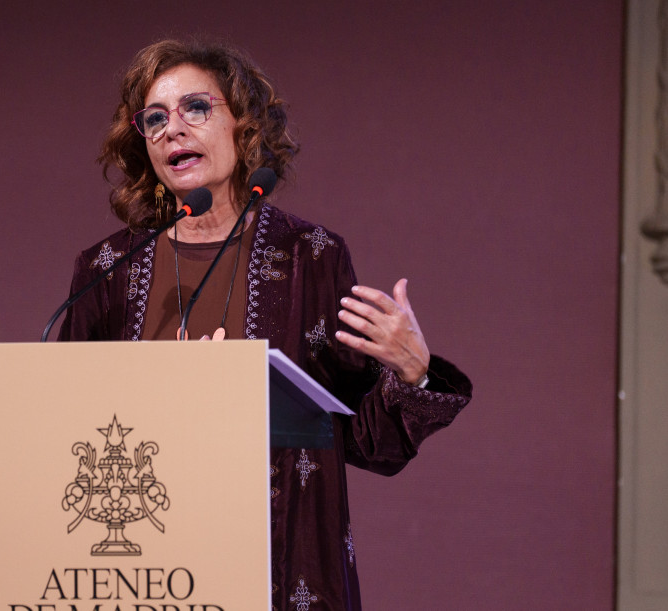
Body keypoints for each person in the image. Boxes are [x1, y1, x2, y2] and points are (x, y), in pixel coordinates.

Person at [58, 38, 472, 610]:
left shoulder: (312, 257)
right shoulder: (108, 269)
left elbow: (368, 443)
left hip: (281, 571)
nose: (172, 129)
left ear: (243, 125)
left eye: (196, 108)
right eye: (154, 118)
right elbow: (63, 437)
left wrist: (412, 375)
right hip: (143, 577)